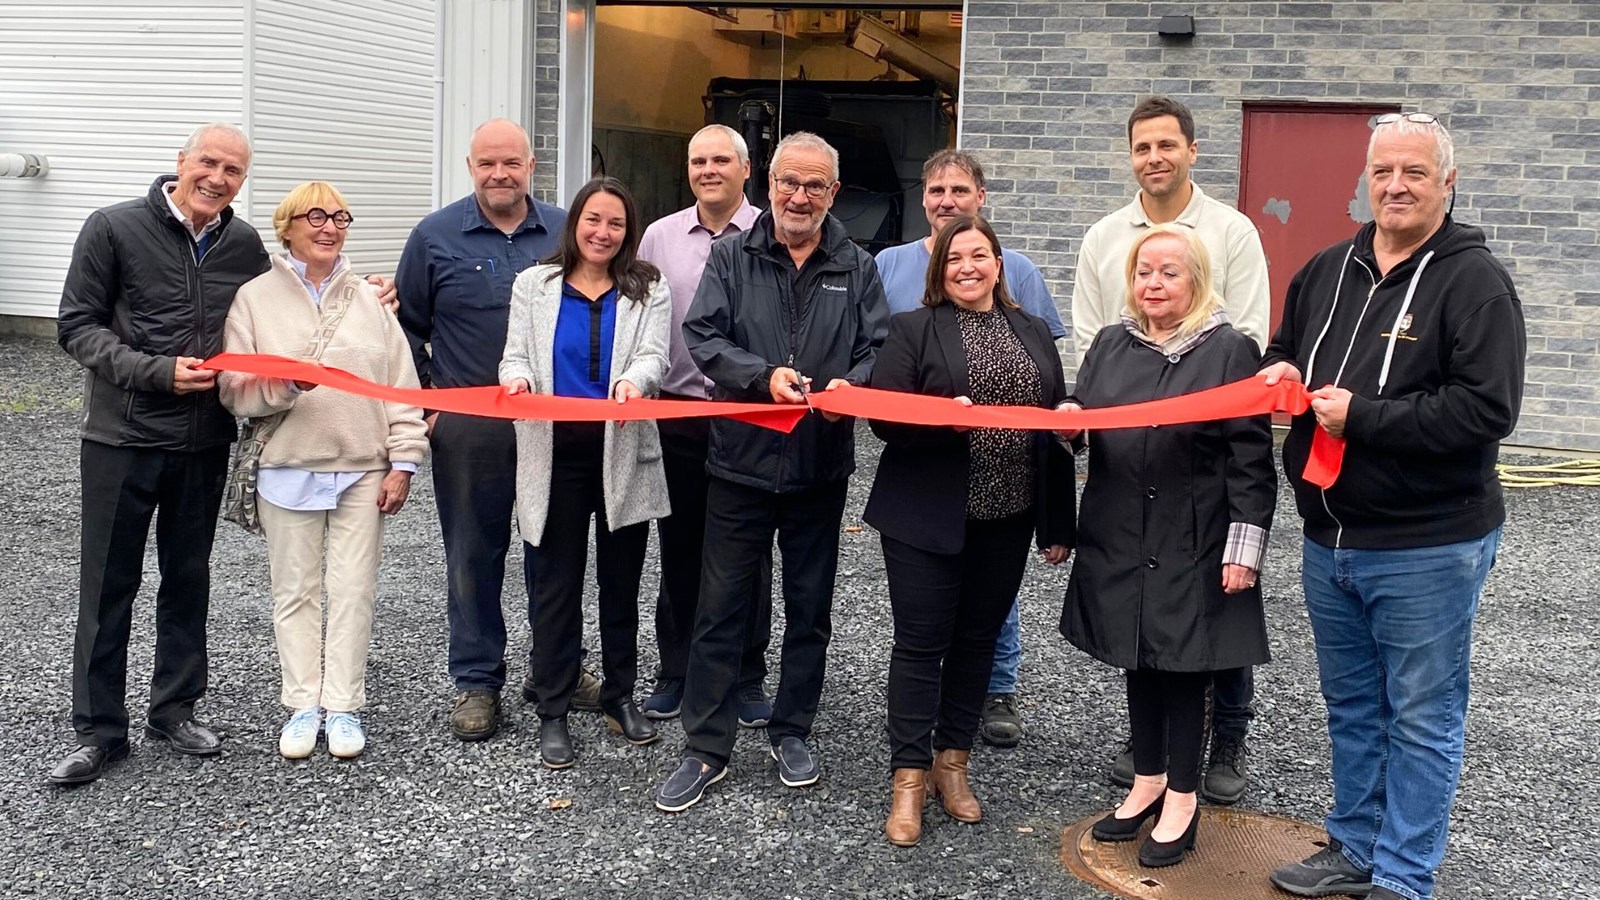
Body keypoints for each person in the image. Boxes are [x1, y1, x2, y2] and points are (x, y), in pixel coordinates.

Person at [1263, 114, 1524, 900]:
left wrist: (1366, 419)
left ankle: (1404, 877)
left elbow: (1487, 410)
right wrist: (1279, 373)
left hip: (1426, 545)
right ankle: (1353, 848)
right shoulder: (1326, 269)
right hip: (1329, 537)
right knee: (1352, 707)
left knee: (1420, 716)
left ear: (1448, 181)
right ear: (1366, 179)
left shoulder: (1475, 284)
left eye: (1414, 171)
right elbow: (1286, 347)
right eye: (1383, 171)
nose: (1396, 186)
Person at [655, 132, 889, 813]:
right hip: (739, 464)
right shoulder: (733, 256)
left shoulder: (857, 265)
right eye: (790, 182)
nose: (800, 197)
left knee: (810, 611)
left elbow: (879, 347)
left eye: (815, 185)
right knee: (719, 609)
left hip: (820, 467)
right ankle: (706, 745)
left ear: (833, 193)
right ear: (771, 184)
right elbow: (703, 336)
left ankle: (792, 730)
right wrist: (762, 377)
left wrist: (853, 385)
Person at [50, 123, 266, 784]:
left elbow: (280, 314)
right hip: (121, 440)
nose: (218, 179)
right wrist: (155, 372)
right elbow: (76, 326)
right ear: (181, 162)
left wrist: (363, 293)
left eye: (233, 170)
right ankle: (99, 730)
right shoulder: (113, 227)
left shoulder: (243, 243)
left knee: (188, 579)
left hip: (203, 443)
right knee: (108, 584)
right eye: (209, 163)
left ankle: (174, 708)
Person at [1070, 94, 1271, 801]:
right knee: (1146, 610)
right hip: (1132, 458)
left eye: (1166, 145)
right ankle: (1151, 753)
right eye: (1142, 147)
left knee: (1210, 612)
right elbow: (1094, 341)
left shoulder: (1233, 231)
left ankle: (1226, 739)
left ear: (1191, 150)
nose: (1154, 158)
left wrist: (1185, 388)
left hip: (1201, 455)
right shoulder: (1104, 237)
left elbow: (1248, 335)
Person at [865, 215, 1075, 847]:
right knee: (920, 644)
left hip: (1006, 517)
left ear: (998, 264)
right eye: (955, 258)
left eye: (979, 256)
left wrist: (1057, 521)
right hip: (926, 518)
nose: (967, 268)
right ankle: (908, 778)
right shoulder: (913, 329)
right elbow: (883, 419)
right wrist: (937, 420)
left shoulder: (1032, 331)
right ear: (939, 269)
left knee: (978, 642)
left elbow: (1052, 425)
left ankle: (952, 765)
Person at [397, 118, 596, 743]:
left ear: (531, 166)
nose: (500, 174)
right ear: (470, 167)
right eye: (487, 163)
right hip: (470, 428)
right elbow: (405, 327)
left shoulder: (567, 230)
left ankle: (555, 669)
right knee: (472, 554)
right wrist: (429, 404)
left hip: (552, 425)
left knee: (554, 553)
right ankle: (477, 680)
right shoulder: (434, 236)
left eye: (511, 163)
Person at [218, 181, 428, 760]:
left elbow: (401, 387)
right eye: (315, 216)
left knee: (354, 589)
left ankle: (343, 705)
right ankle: (302, 704)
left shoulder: (371, 301)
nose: (330, 227)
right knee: (295, 591)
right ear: (287, 226)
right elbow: (233, 390)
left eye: (339, 217)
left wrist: (404, 461)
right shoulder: (253, 299)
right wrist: (284, 385)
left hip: (364, 468)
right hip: (287, 465)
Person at [499, 177, 670, 768]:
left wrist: (635, 382)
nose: (603, 232)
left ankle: (619, 695)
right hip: (555, 459)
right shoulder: (534, 285)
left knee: (621, 586)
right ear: (574, 223)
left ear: (629, 231)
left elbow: (654, 355)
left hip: (622, 454)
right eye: (593, 219)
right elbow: (514, 355)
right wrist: (517, 380)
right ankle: (554, 707)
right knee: (556, 587)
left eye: (616, 223)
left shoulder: (648, 286)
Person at [636, 124, 774, 729]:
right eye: (698, 161)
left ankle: (746, 673)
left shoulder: (772, 232)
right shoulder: (659, 236)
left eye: (721, 160)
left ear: (747, 169)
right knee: (681, 547)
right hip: (680, 417)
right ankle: (677, 669)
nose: (708, 170)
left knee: (750, 552)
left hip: (750, 416)